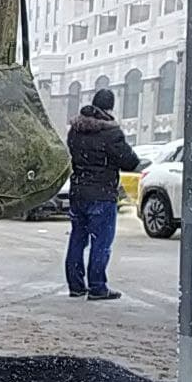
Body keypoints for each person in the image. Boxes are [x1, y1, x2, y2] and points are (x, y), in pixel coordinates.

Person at [65, 88, 140, 301]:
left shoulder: (75, 131)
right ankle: (97, 287)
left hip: (78, 193)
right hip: (102, 194)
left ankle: (76, 285)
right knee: (101, 242)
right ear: (110, 108)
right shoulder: (110, 133)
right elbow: (130, 161)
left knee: (77, 239)